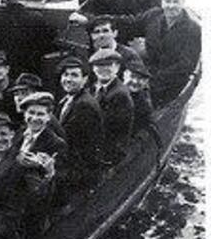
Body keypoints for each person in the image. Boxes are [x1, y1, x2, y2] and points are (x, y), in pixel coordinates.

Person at [113, 0, 201, 106]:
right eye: (168, 1)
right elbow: (130, 24)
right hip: (149, 73)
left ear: (183, 3)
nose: (171, 6)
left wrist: (150, 81)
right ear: (161, 1)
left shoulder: (193, 29)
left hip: (171, 82)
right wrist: (94, 20)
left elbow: (185, 65)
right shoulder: (154, 15)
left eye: (176, 2)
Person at [12, 91, 68, 222]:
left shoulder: (56, 144)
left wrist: (45, 168)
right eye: (31, 113)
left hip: (36, 208)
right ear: (24, 114)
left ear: (48, 117)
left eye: (40, 114)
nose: (34, 118)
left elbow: (62, 179)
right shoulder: (19, 134)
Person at [55, 56, 105, 191]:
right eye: (65, 75)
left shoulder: (84, 105)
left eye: (74, 75)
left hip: (81, 171)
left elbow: (69, 141)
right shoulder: (68, 100)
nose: (68, 79)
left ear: (84, 80)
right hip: (72, 161)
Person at [90, 49, 134, 164]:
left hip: (109, 153)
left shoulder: (119, 94)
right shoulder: (95, 87)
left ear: (117, 67)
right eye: (99, 65)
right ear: (93, 69)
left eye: (108, 65)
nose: (103, 69)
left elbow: (107, 128)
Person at [124, 56, 156, 133]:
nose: (135, 81)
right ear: (124, 75)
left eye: (140, 79)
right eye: (132, 76)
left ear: (146, 82)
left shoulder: (144, 105)